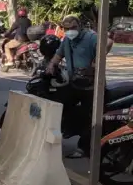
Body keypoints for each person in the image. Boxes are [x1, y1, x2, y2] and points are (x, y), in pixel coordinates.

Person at [46, 15, 114, 158]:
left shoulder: (90, 38)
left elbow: (108, 42)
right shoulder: (67, 41)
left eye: (73, 28)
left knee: (89, 118)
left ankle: (83, 148)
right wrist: (51, 65)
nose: (70, 31)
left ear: (80, 26)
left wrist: (97, 60)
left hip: (92, 87)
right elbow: (58, 56)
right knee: (59, 106)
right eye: (67, 28)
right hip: (74, 84)